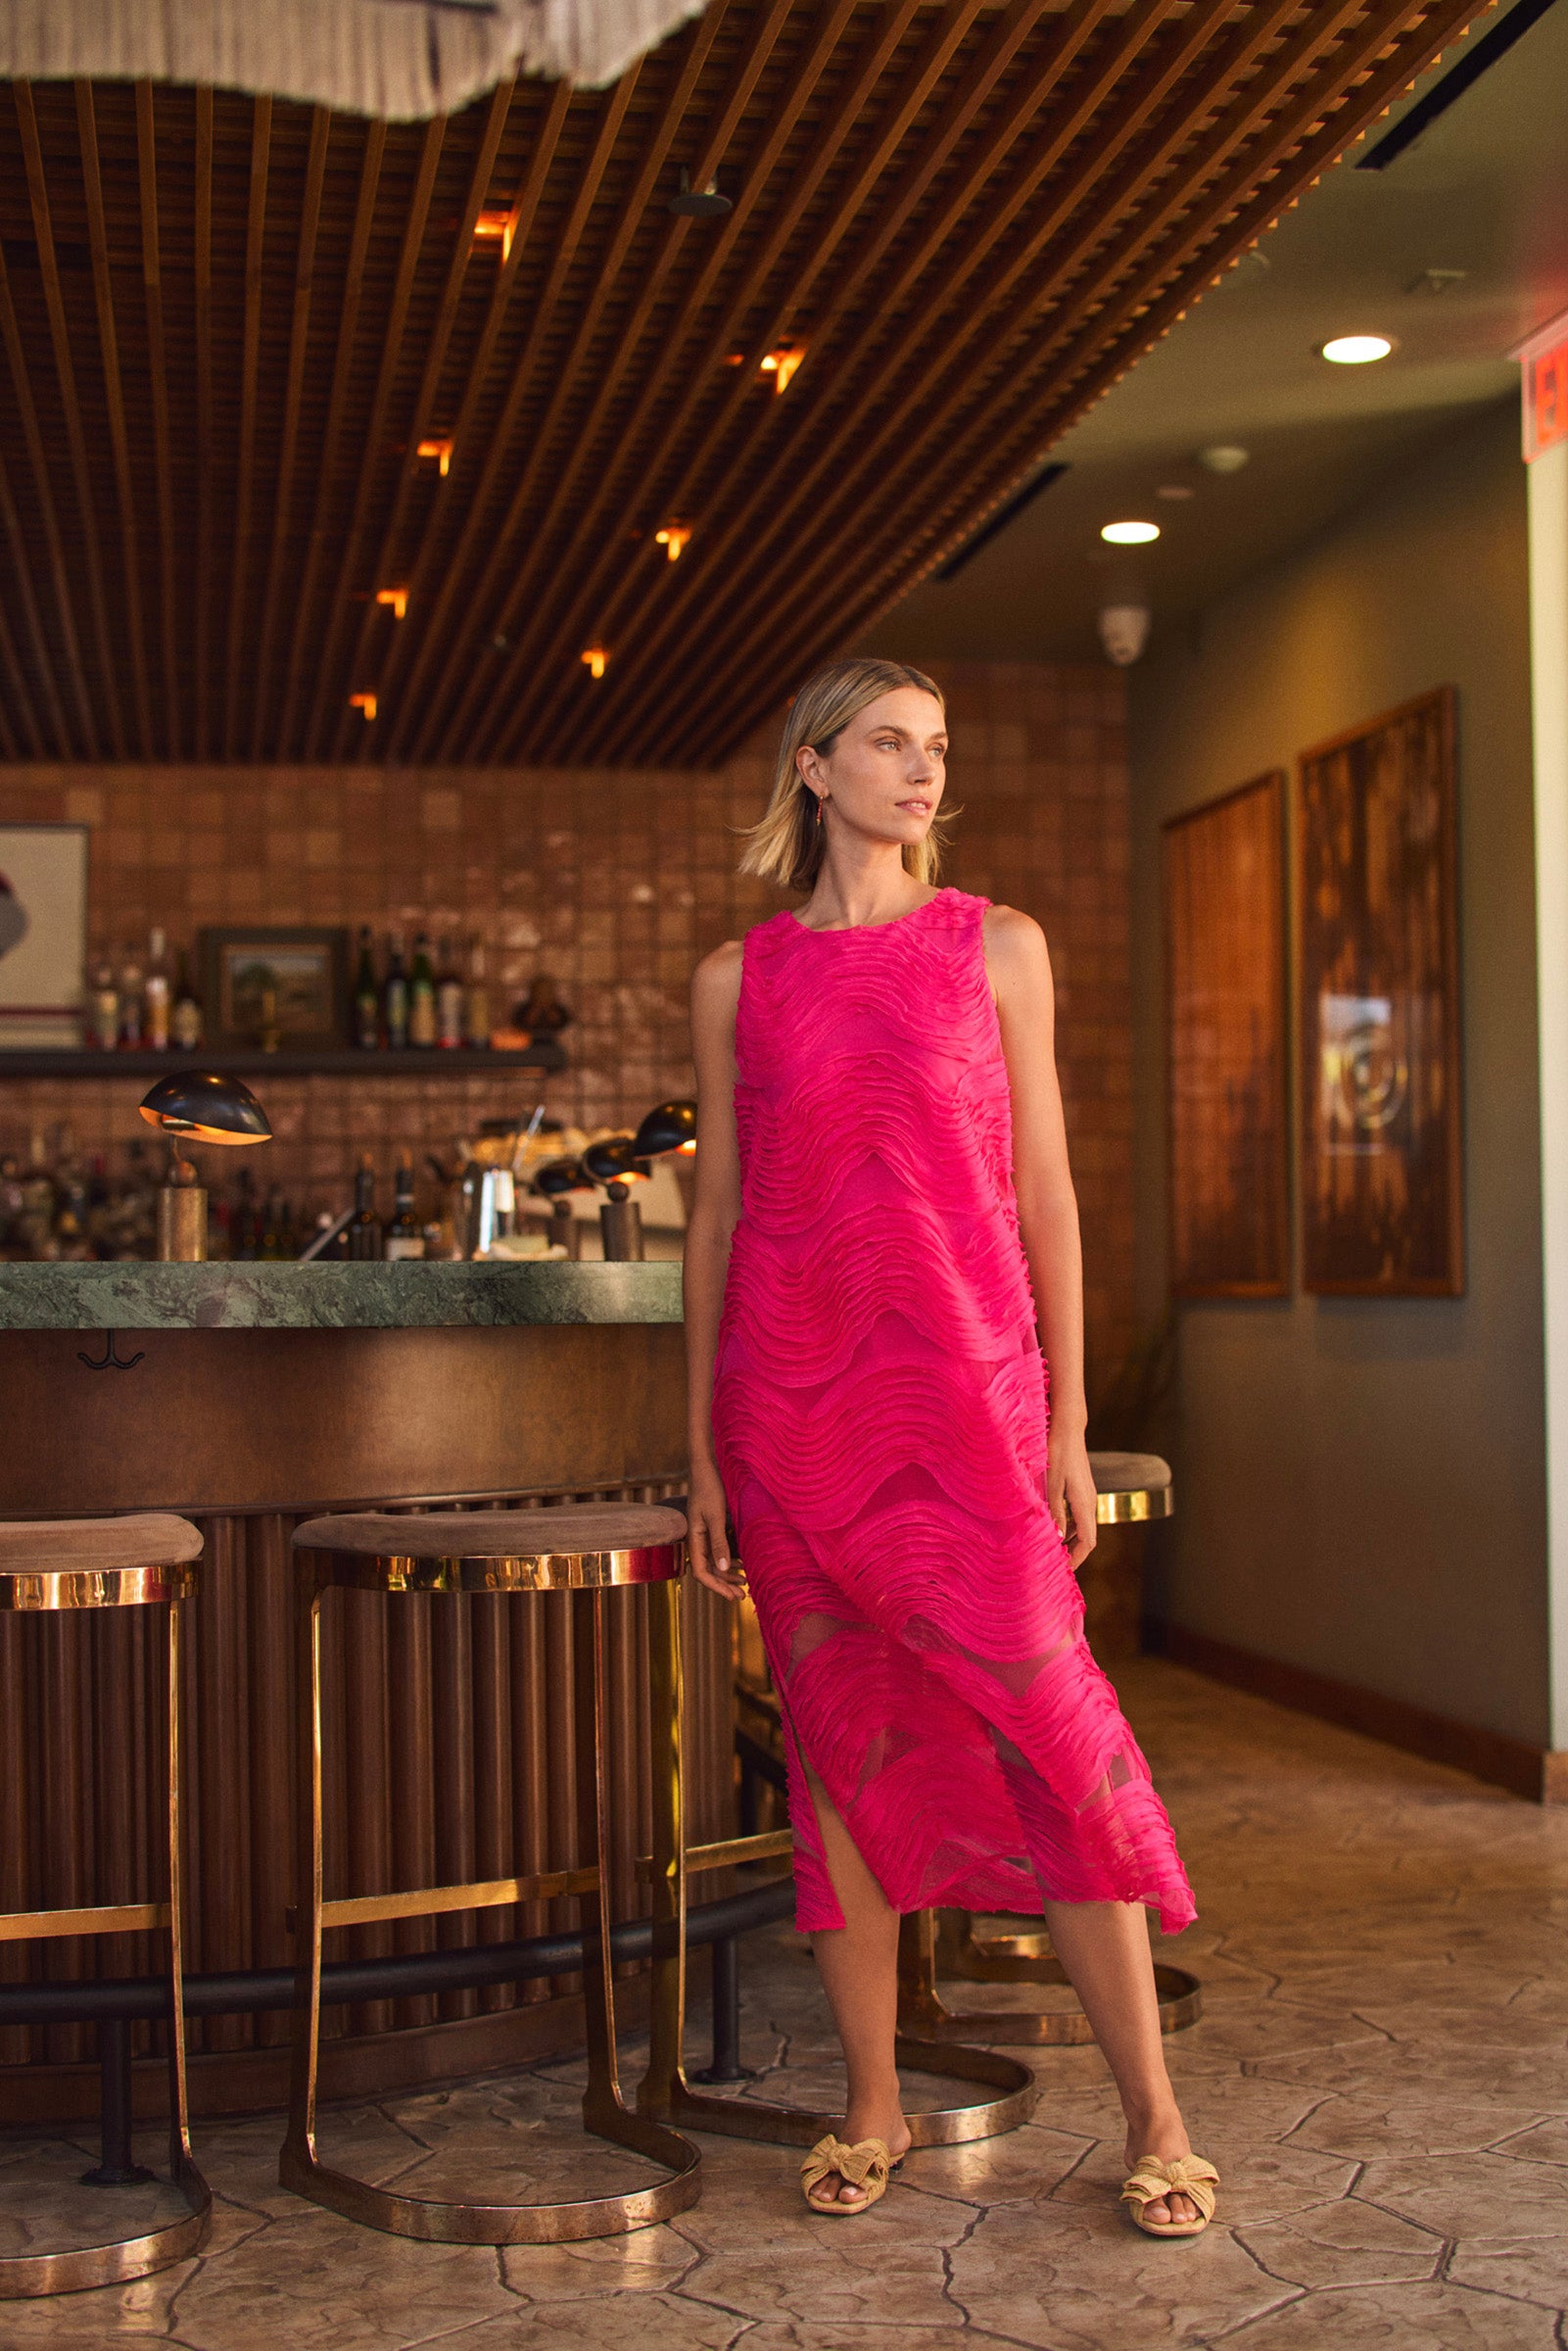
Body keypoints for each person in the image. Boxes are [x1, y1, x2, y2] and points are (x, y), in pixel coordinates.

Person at [683, 658, 1215, 2236]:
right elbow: (714, 1221)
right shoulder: (740, 977)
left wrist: (1059, 1415)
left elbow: (1041, 1190)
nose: (921, 774)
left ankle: (1156, 2116)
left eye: (936, 750)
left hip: (968, 1401)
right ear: (812, 770)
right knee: (839, 1758)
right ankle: (871, 2104)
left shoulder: (994, 945)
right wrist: (699, 1446)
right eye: (889, 747)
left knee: (1056, 1733)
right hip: (789, 1415)